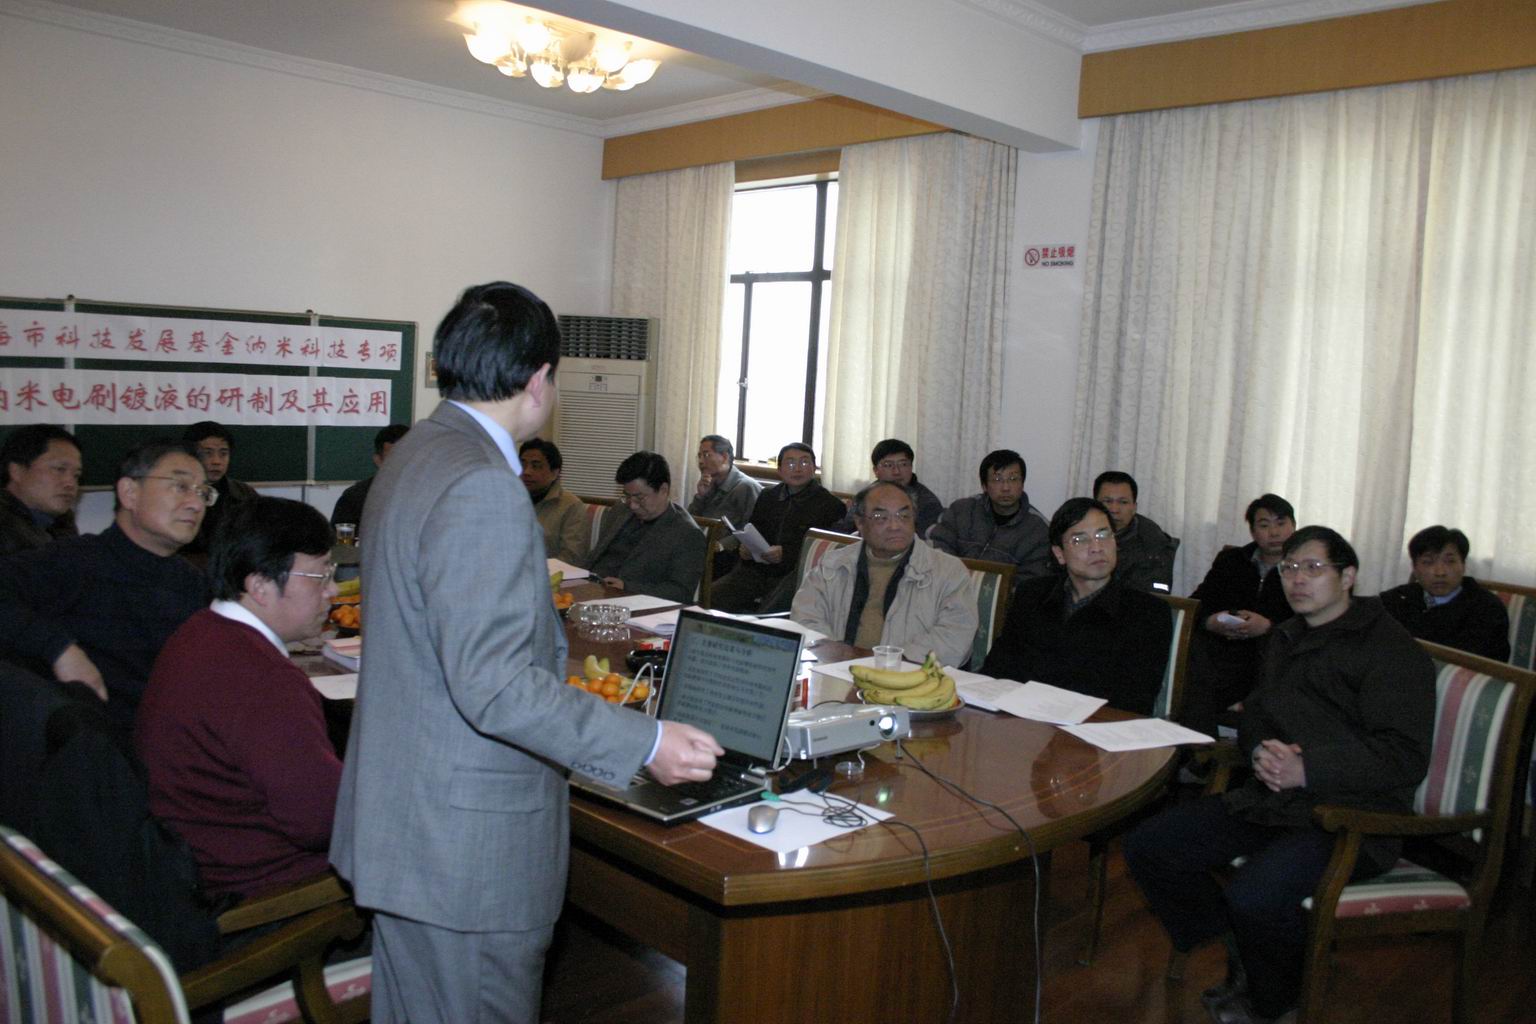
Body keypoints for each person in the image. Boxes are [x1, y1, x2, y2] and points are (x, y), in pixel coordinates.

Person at [329, 281, 722, 1024]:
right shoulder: (482, 484)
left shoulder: (415, 453)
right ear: (539, 379)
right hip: (464, 848)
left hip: (410, 822)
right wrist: (647, 742)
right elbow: (498, 686)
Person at [1125, 527, 1434, 1024]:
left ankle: (1276, 1003)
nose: (1298, 580)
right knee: (1150, 846)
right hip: (1273, 799)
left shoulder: (1390, 649)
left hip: (1352, 816)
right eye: (1289, 569)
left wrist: (1307, 768)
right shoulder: (1287, 636)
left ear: (1348, 576)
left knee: (1255, 895)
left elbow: (1403, 755)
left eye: (1313, 568)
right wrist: (1262, 753)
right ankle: (1243, 947)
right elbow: (1258, 714)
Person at [137, 497, 342, 900]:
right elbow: (321, 822)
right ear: (260, 585)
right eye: (320, 576)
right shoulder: (263, 678)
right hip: (257, 887)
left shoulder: (200, 631)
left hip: (197, 858)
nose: (332, 591)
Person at [0, 440, 211, 729]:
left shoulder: (194, 583)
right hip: (99, 739)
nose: (196, 504)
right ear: (129, 492)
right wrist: (61, 651)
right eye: (180, 486)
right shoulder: (73, 561)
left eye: (202, 492)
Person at [982, 497, 1172, 715]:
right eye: (1080, 540)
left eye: (1103, 535)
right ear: (1059, 554)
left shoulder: (1148, 613)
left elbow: (1134, 703)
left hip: (1095, 728)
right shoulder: (1031, 595)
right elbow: (997, 669)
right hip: (1021, 721)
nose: (1097, 548)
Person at [792, 481, 977, 668]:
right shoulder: (833, 564)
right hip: (834, 669)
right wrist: (837, 656)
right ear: (860, 523)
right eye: (881, 517)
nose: (895, 525)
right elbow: (805, 619)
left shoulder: (948, 571)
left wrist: (884, 662)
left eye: (904, 515)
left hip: (909, 676)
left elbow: (954, 638)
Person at [1184, 494, 1297, 735]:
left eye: (1281, 523)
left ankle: (1200, 748)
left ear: (1294, 526)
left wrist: (1268, 628)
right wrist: (1211, 622)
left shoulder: (1302, 569)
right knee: (1192, 654)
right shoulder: (1232, 561)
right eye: (1264, 525)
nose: (1274, 533)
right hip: (1225, 652)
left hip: (1273, 657)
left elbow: (1310, 623)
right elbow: (1198, 602)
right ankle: (1202, 743)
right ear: (1253, 531)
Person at [708, 441, 846, 614]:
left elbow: (826, 552)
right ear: (779, 470)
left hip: (794, 575)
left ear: (814, 468)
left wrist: (786, 553)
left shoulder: (830, 505)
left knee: (766, 614)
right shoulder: (768, 495)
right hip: (756, 569)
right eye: (790, 463)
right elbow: (753, 529)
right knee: (710, 598)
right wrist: (745, 549)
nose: (798, 469)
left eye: (804, 462)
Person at [585, 451, 706, 603]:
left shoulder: (687, 533)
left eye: (640, 497)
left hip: (634, 605)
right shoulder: (620, 510)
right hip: (591, 592)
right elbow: (596, 557)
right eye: (627, 496)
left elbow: (681, 593)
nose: (633, 505)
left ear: (663, 490)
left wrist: (627, 587)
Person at [1379, 525, 1510, 662]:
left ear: (1463, 565)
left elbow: (1484, 664)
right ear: (1414, 569)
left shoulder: (1487, 608)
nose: (1440, 572)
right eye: (1428, 562)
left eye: (1450, 562)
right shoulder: (1395, 600)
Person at [929, 449, 1052, 581]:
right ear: (984, 486)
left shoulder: (1039, 530)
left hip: (1002, 593)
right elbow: (937, 544)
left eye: (1013, 479)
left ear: (1022, 484)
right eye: (997, 479)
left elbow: (1032, 580)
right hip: (951, 585)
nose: (1006, 488)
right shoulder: (962, 511)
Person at [832, 439, 945, 538]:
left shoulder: (927, 503)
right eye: (888, 465)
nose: (896, 471)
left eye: (903, 464)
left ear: (911, 467)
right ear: (876, 471)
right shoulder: (866, 495)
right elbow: (844, 530)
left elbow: (921, 544)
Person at [0, 423, 81, 555]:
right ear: (17, 471)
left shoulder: (62, 525)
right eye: (59, 469)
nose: (70, 483)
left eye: (76, 475)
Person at [687, 434, 763, 575]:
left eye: (707, 455)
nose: (701, 461)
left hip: (728, 557)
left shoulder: (745, 487)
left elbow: (753, 530)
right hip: (701, 549)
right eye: (699, 456)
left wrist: (722, 545)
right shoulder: (710, 483)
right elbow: (689, 521)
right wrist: (701, 496)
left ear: (724, 457)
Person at [1093, 470, 1178, 594]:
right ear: (1094, 505)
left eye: (1123, 502)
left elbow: (1151, 599)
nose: (1114, 509)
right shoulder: (1077, 532)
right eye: (1107, 501)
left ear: (1134, 507)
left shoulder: (1153, 543)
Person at [182, 421, 258, 558]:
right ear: (190, 455)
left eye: (223, 454)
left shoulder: (244, 493)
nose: (216, 461)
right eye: (207, 453)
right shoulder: (176, 493)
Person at [520, 437, 590, 564]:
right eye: (522, 465)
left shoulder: (571, 506)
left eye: (536, 466)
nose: (526, 472)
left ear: (555, 473)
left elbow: (572, 557)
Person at [330, 423, 409, 535]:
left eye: (408, 457)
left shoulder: (428, 495)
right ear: (378, 461)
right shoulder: (355, 498)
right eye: (393, 458)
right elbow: (341, 541)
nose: (402, 464)